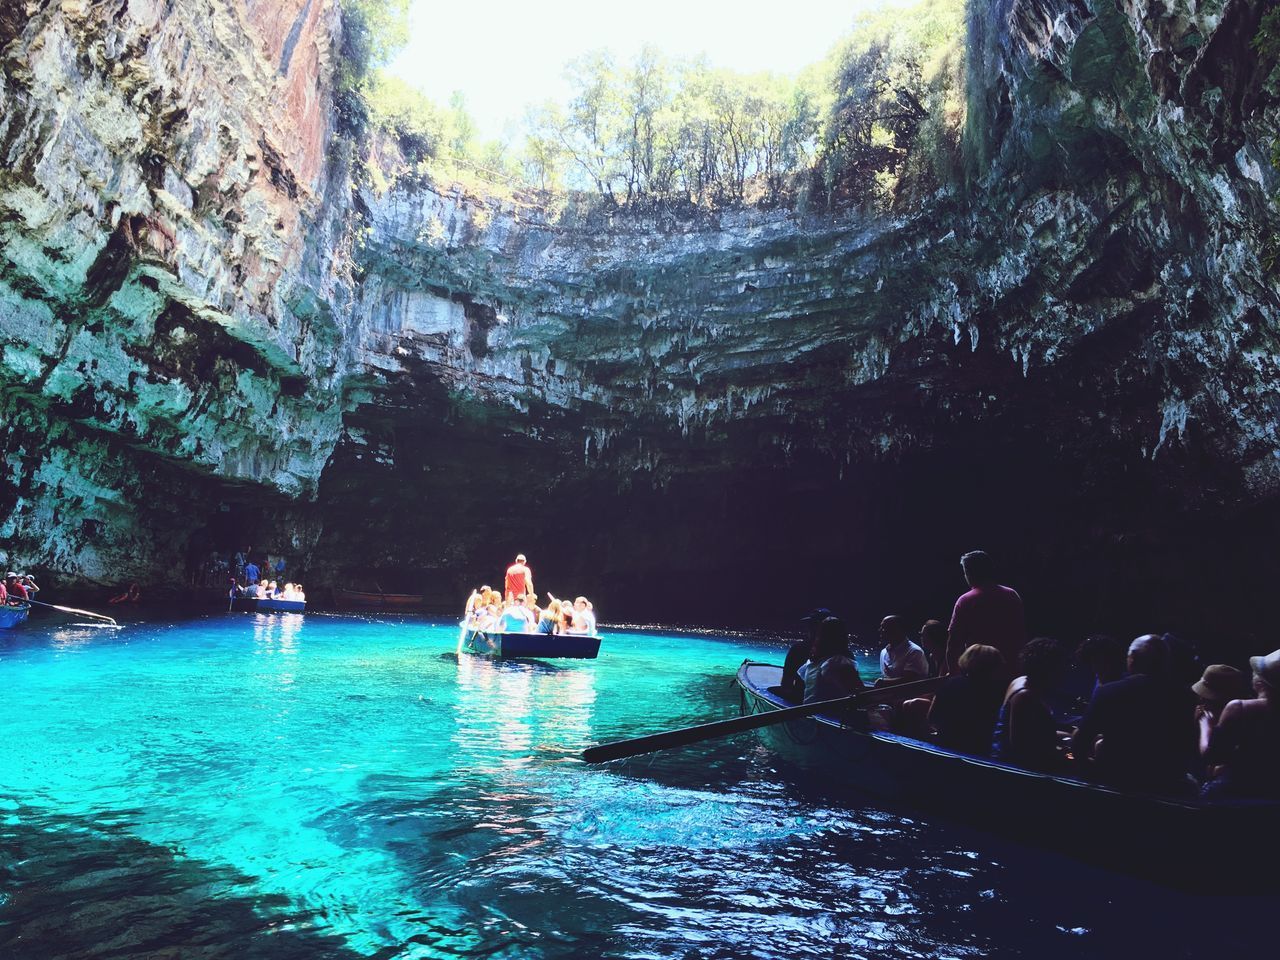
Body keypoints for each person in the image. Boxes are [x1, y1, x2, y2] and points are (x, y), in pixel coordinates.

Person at [1071, 635, 1196, 792]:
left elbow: (1080, 741)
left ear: (1132, 659)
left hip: (1116, 780)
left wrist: (1088, 767)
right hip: (1166, 784)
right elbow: (1187, 746)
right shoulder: (1186, 697)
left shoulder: (1109, 692)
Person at [1199, 649, 1280, 800]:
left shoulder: (1239, 708)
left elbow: (1212, 756)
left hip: (1236, 792)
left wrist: (1205, 724)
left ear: (1260, 681)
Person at [992, 637, 1071, 771]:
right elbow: (1019, 747)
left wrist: (1069, 736)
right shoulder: (1024, 696)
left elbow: (1034, 732)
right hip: (1011, 770)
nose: (1064, 672)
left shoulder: (1022, 681)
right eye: (1061, 666)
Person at [945, 550, 1025, 675]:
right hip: (1012, 668)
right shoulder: (1012, 595)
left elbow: (954, 643)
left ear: (969, 573)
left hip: (981, 672)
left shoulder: (966, 600)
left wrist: (953, 673)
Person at [928, 644, 1006, 755]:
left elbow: (932, 718)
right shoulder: (999, 690)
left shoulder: (950, 683)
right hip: (981, 751)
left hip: (946, 746)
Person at [803, 617, 865, 704]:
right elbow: (860, 694)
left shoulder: (814, 660)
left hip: (810, 713)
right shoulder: (836, 663)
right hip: (827, 715)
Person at [781, 608, 831, 702]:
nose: (809, 628)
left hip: (801, 703)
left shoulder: (798, 649)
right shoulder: (844, 654)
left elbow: (786, 683)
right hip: (833, 708)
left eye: (813, 624)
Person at [877, 615, 929, 685]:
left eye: (884, 627)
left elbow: (910, 681)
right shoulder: (883, 652)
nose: (880, 630)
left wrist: (883, 682)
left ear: (896, 630)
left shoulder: (914, 652)